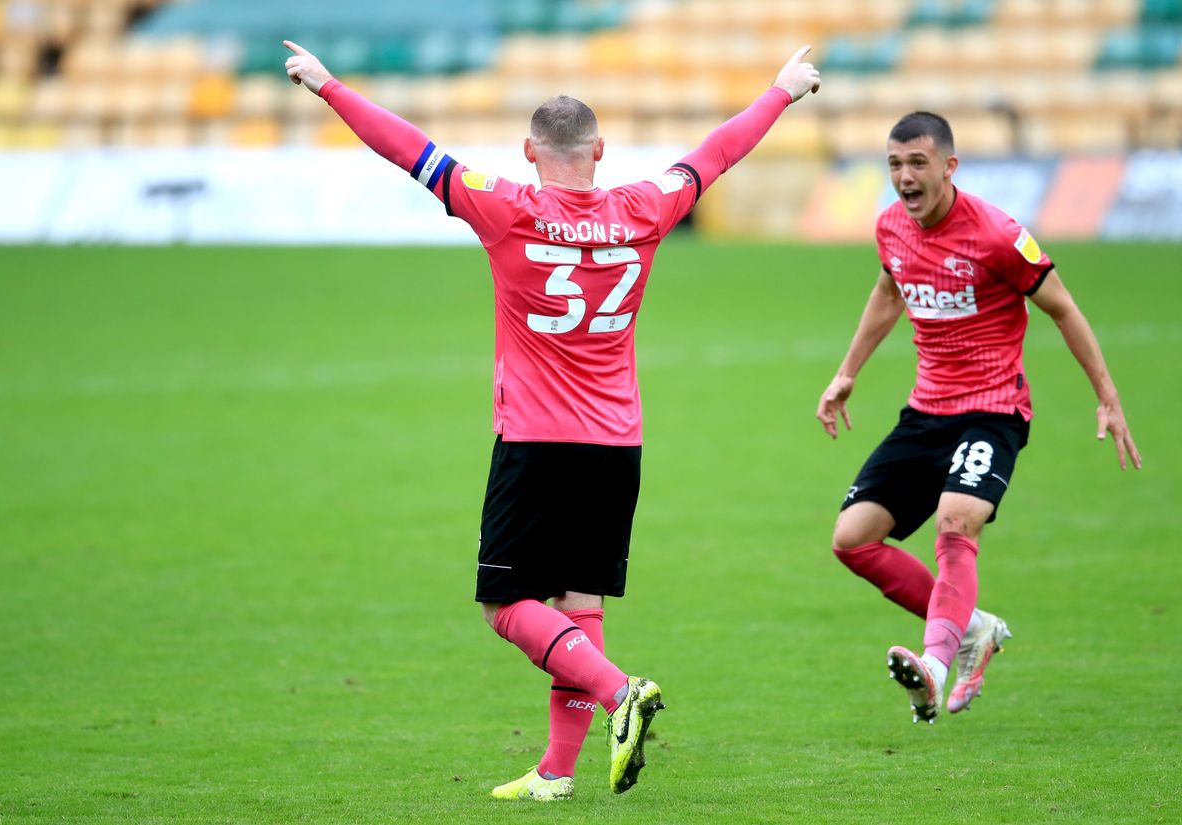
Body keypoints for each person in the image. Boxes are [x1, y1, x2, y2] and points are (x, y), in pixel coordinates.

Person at [284, 40, 821, 796]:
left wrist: (329, 85)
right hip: (618, 444)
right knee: (578, 600)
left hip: (537, 439)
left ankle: (618, 692)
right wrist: (782, 90)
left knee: (506, 604)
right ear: (600, 150)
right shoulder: (644, 207)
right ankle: (555, 773)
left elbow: (409, 149)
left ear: (529, 151)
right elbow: (715, 154)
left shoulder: (505, 206)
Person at [816, 111, 1141, 725]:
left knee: (956, 522)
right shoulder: (890, 227)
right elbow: (889, 291)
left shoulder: (997, 234)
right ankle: (974, 628)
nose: (904, 177)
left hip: (993, 410)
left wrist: (1107, 395)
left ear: (948, 166)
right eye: (894, 164)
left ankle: (935, 666)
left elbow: (1064, 309)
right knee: (852, 540)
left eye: (917, 163)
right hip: (926, 411)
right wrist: (848, 371)